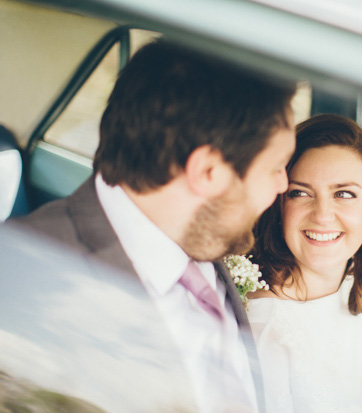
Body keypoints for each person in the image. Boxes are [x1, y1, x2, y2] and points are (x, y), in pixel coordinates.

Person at [11, 39, 296, 412]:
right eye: (276, 167)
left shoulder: (201, 231)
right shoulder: (21, 283)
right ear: (207, 172)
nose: (283, 184)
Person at [247, 113, 362, 412]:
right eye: (300, 193)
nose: (322, 214)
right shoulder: (266, 328)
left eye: (344, 194)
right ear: (280, 205)